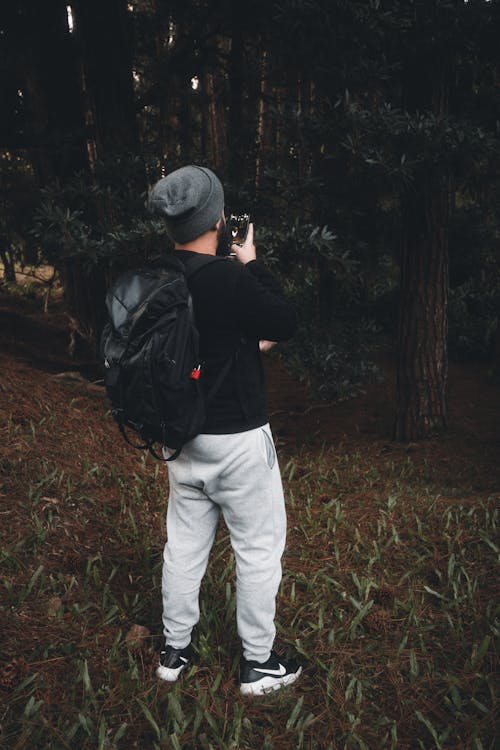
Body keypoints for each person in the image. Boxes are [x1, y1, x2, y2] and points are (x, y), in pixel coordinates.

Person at [148, 165, 301, 696]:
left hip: (180, 436)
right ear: (217, 217)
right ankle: (258, 664)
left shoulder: (158, 276)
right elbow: (282, 321)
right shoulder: (230, 278)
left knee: (183, 546)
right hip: (237, 440)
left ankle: (175, 652)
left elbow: (193, 345)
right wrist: (252, 262)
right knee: (258, 549)